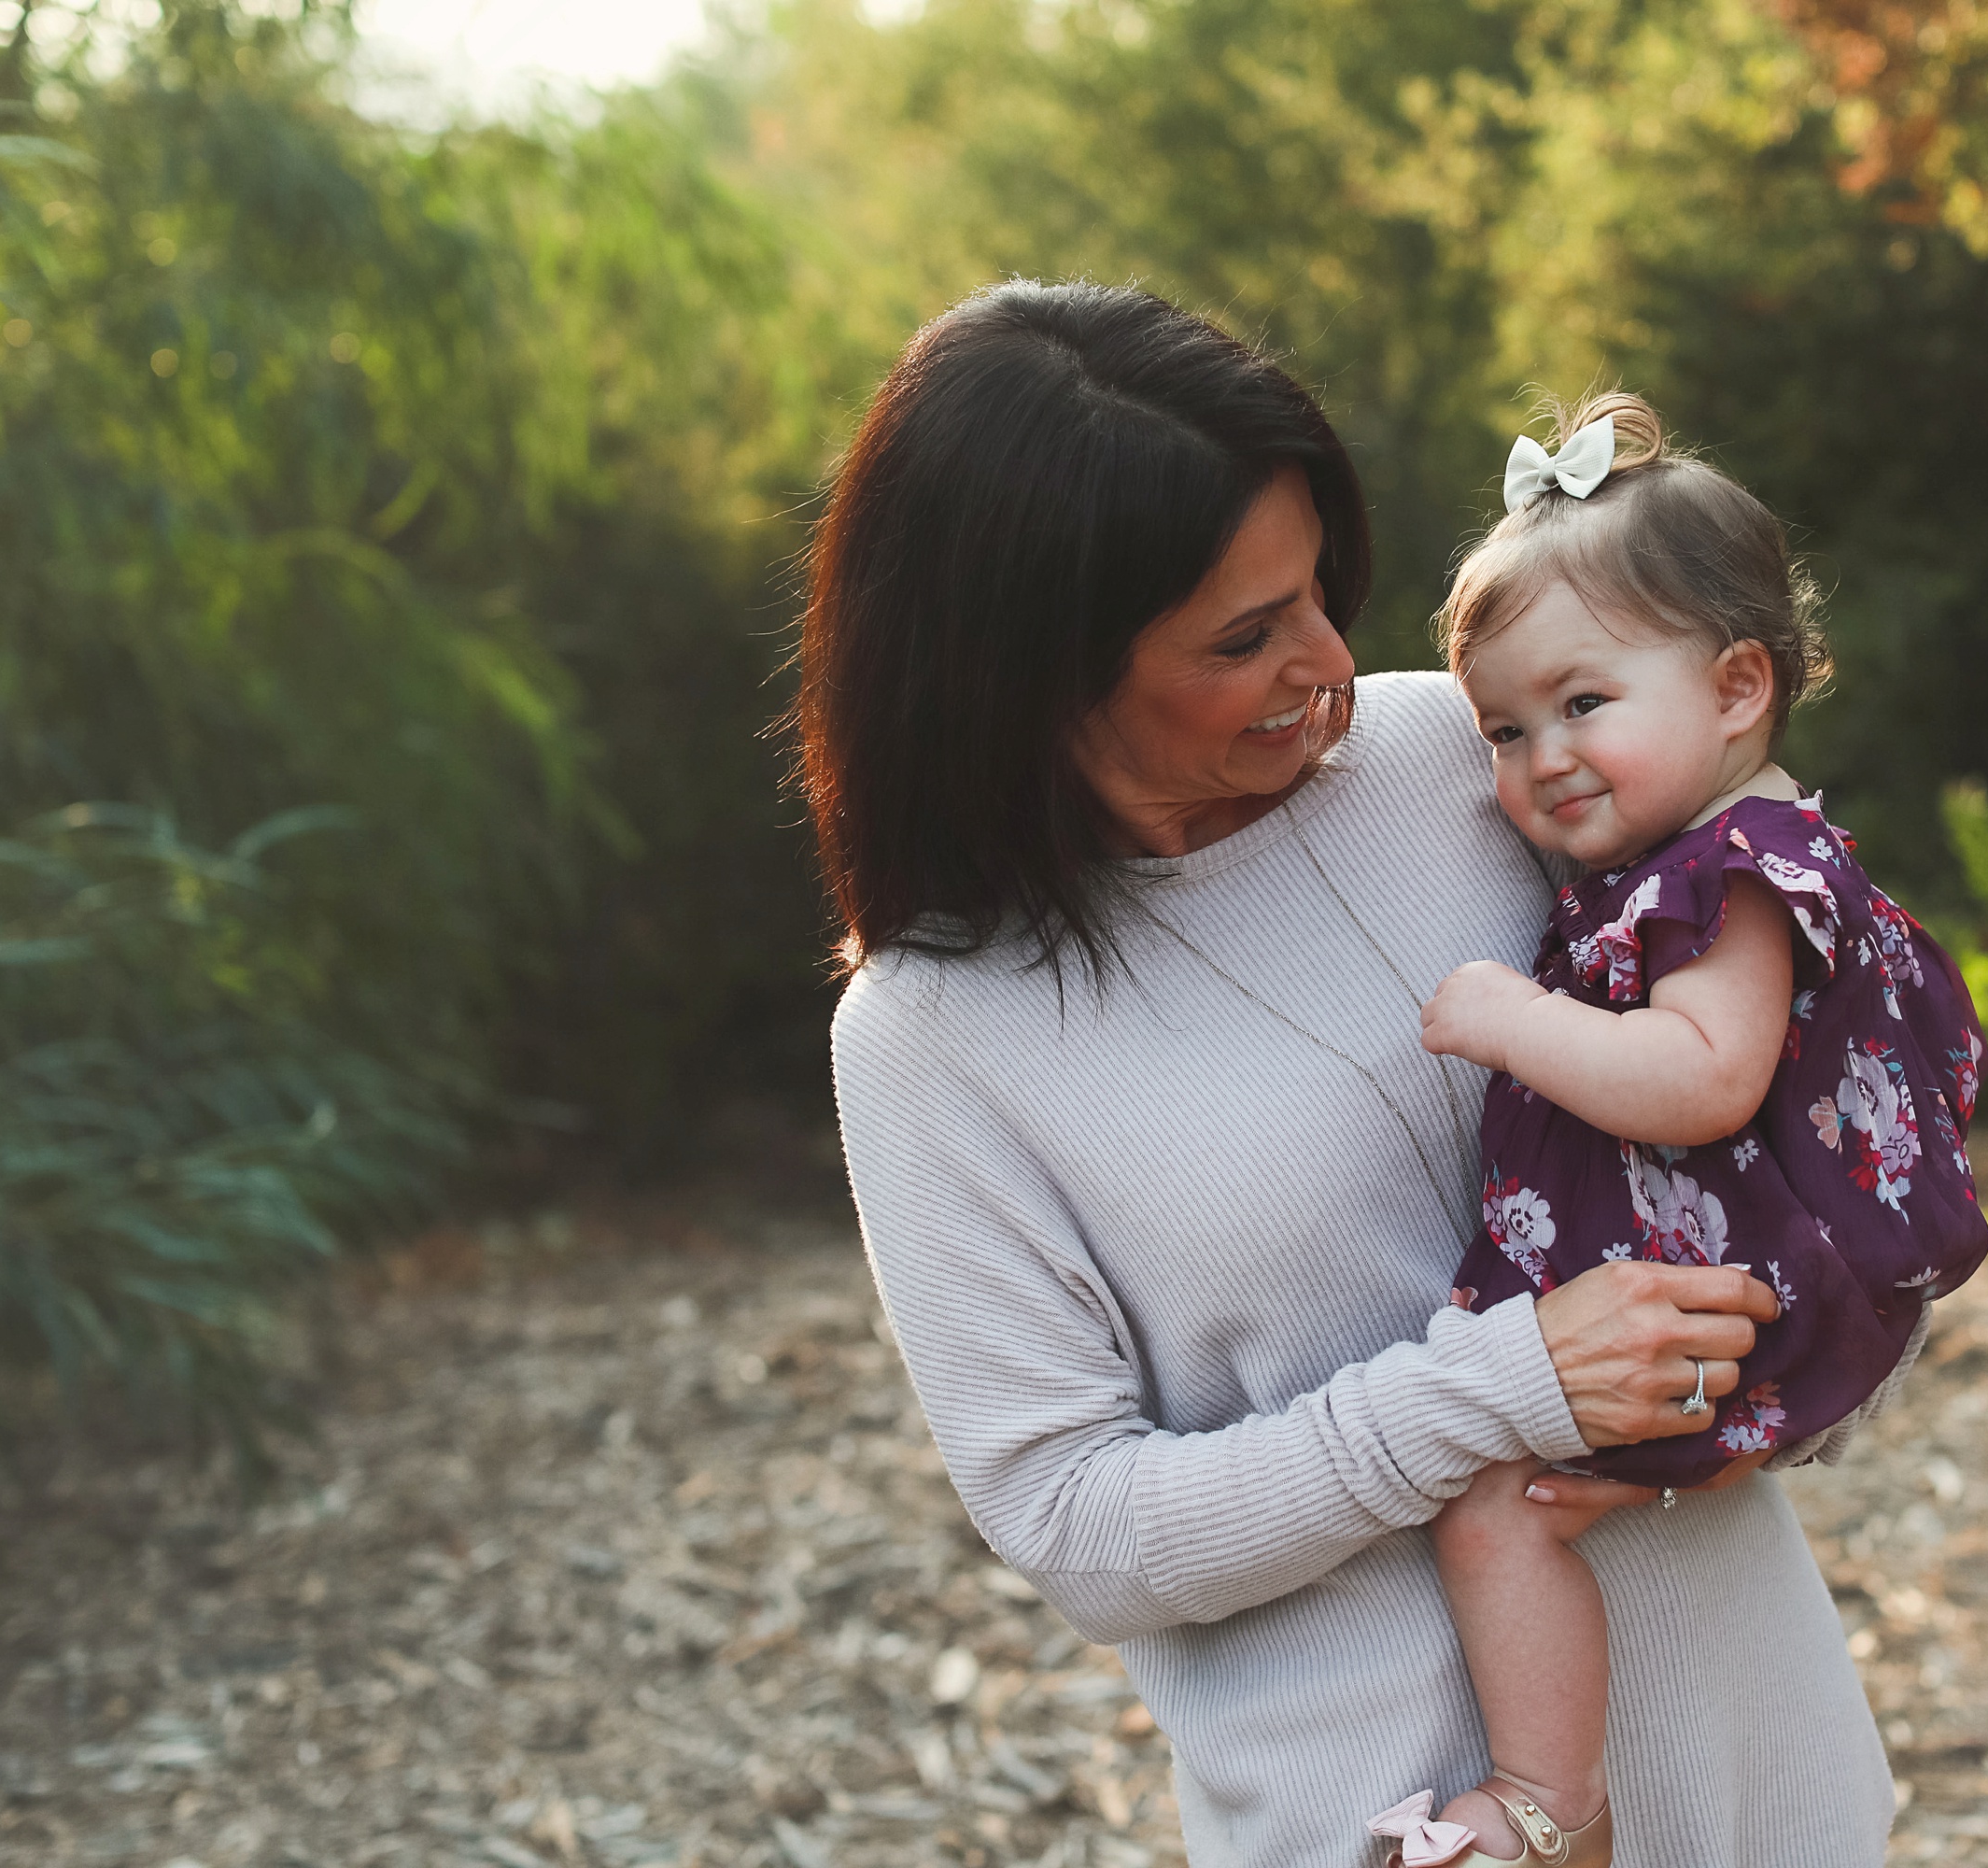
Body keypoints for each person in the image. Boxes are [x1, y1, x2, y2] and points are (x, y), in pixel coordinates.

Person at [810, 280, 1908, 1867]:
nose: (1331, 660)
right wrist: (1500, 1387)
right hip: (1393, 1812)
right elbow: (1079, 1531)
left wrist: (1797, 1384)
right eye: (1246, 637)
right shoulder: (936, 1033)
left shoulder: (1466, 766)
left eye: (1319, 587)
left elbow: (1797, 1098)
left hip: (1749, 1733)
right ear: (1033, 678)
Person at [1367, 395, 1988, 1866]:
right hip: (1700, 1299)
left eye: (1584, 705)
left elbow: (1704, 1077)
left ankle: (1539, 1800)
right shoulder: (1685, 856)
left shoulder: (1741, 872)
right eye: (1505, 729)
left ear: (1733, 689)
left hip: (1725, 1298)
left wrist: (1508, 1017)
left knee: (1495, 1516)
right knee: (1520, 1504)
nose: (1542, 759)